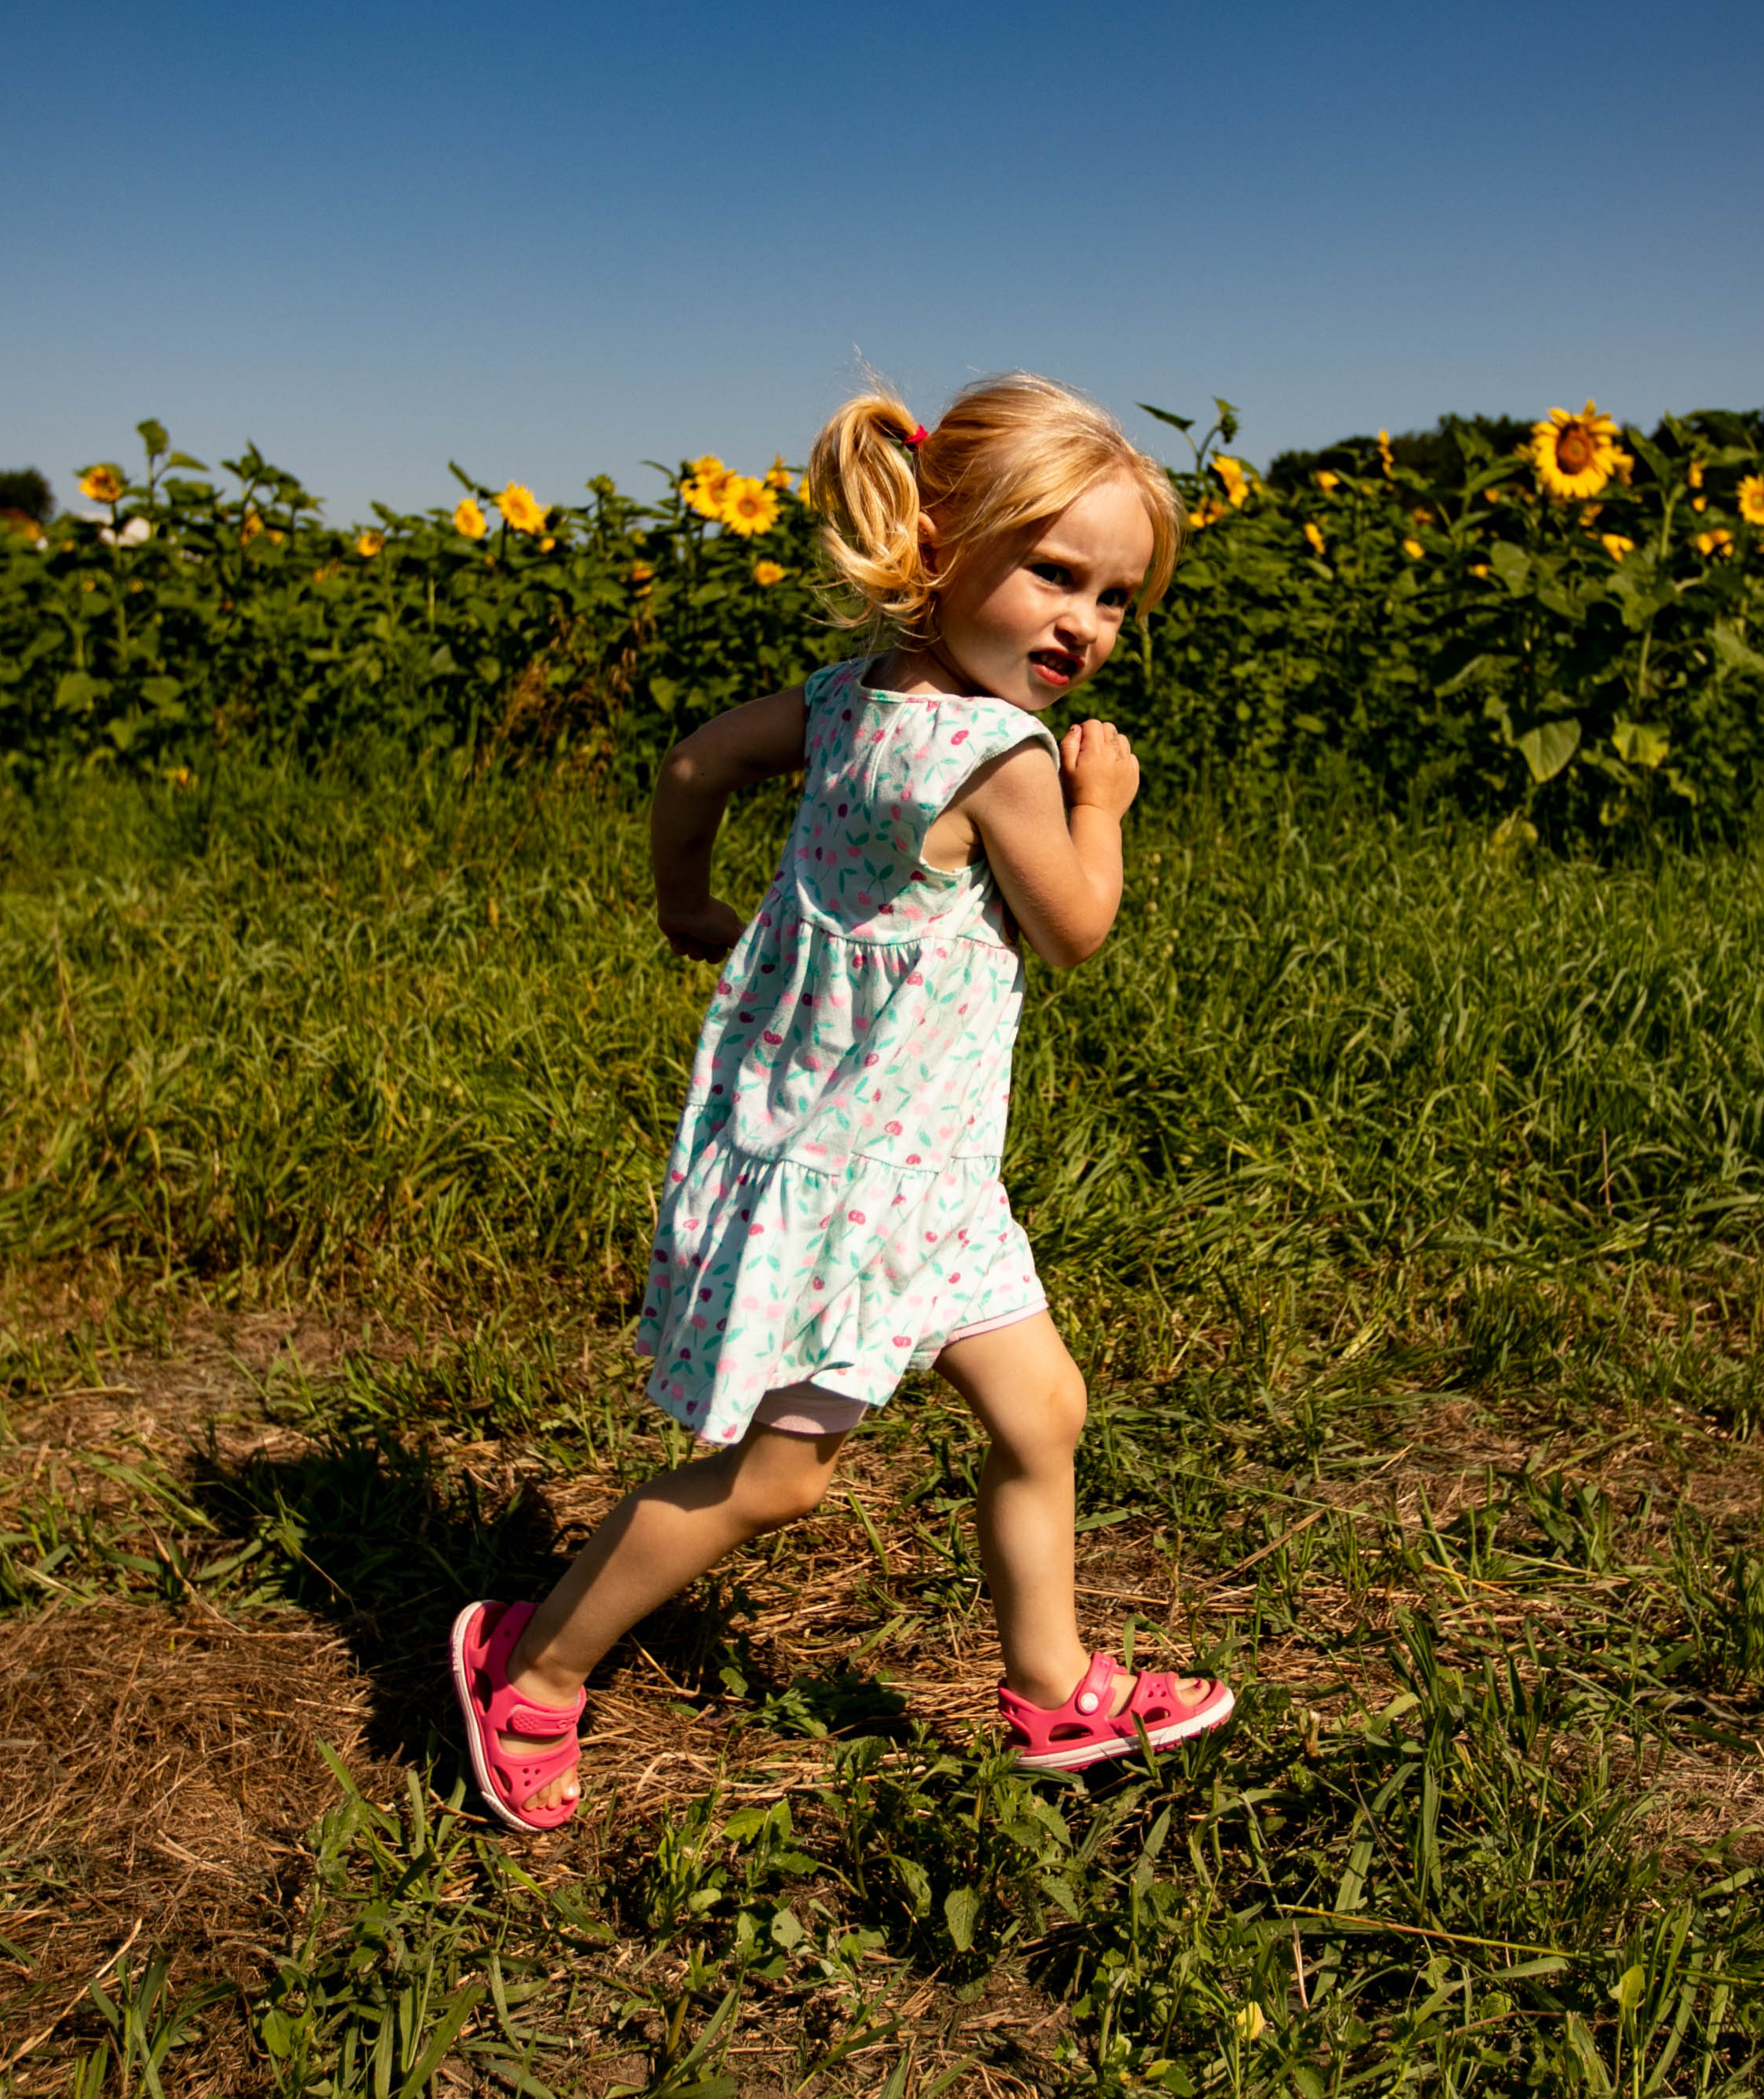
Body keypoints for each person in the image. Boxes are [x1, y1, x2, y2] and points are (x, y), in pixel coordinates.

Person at [445, 374, 1240, 1830]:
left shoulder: (843, 703)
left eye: (1117, 598)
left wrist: (686, 901)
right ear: (941, 546)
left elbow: (693, 764)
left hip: (919, 1179)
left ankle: (1052, 1680)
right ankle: (530, 1664)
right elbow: (1070, 931)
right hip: (865, 1189)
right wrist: (1099, 811)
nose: (1085, 623)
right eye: (1054, 575)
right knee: (774, 1484)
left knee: (1041, 1409)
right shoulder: (1001, 759)